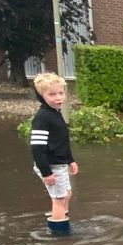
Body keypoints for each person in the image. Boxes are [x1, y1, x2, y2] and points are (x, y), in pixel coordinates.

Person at [30, 73, 78, 234]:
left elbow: (61, 141)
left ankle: (60, 218)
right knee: (59, 198)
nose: (58, 98)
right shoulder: (43, 118)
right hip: (51, 166)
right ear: (41, 96)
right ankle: (60, 234)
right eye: (51, 94)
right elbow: (37, 147)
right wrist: (47, 172)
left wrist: (70, 160)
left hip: (59, 163)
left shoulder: (55, 113)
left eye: (60, 93)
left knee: (67, 193)